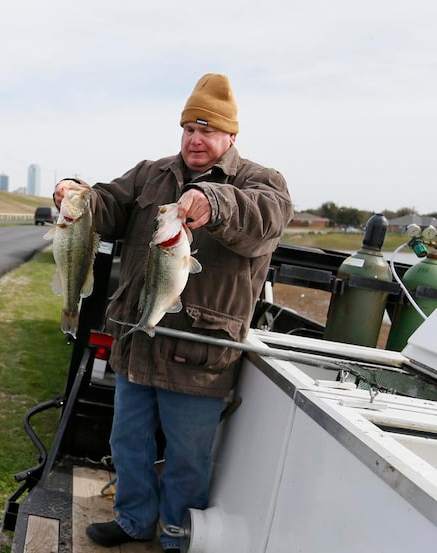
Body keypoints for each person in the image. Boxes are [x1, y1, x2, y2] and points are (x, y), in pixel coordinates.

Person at [53, 73, 293, 551]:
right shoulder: (152, 173)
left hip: (199, 351)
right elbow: (106, 205)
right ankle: (133, 520)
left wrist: (214, 202)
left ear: (230, 137)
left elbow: (265, 219)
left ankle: (178, 535)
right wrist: (73, 193)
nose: (195, 139)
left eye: (206, 130)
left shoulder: (262, 182)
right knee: (128, 440)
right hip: (138, 337)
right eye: (188, 129)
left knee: (187, 455)